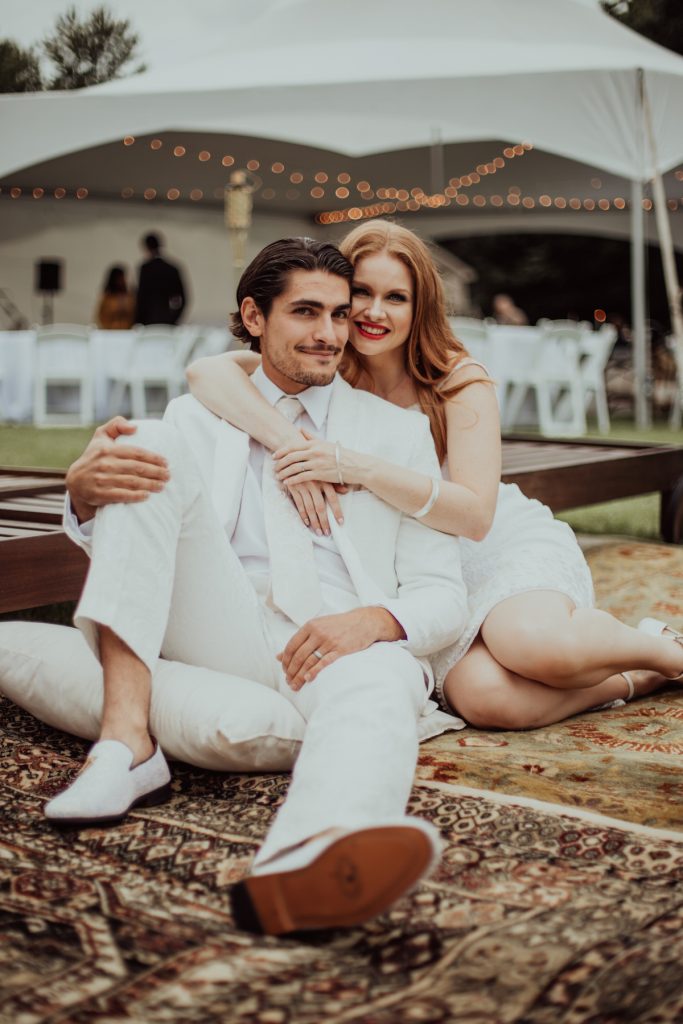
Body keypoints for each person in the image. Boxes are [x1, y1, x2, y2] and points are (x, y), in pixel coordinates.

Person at [46, 237, 468, 936]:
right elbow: (143, 544)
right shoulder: (197, 414)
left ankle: (311, 858)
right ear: (252, 316)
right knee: (141, 440)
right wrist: (85, 498)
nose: (330, 334)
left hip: (332, 636)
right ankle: (126, 747)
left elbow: (442, 593)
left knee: (383, 672)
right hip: (218, 617)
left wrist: (370, 622)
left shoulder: (396, 432)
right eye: (306, 312)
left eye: (339, 314)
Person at [185, 221, 683, 729]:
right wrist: (291, 443)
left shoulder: (457, 380)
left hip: (489, 546)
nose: (374, 312)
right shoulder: (326, 364)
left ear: (419, 306)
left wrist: (356, 466)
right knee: (485, 699)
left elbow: (475, 517)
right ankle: (635, 679)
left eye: (396, 297)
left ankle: (663, 650)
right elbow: (206, 374)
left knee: (532, 645)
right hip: (411, 571)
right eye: (361, 294)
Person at [135, 232, 187, 325]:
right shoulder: (172, 269)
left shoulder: (145, 269)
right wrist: (174, 318)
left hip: (148, 322)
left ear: (146, 247)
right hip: (168, 320)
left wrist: (140, 320)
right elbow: (183, 298)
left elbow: (141, 297)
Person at [95, 265, 136, 330]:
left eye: (123, 277)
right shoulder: (107, 297)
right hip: (110, 333)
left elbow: (133, 315)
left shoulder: (129, 297)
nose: (122, 280)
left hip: (127, 333)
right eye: (120, 278)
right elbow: (101, 315)